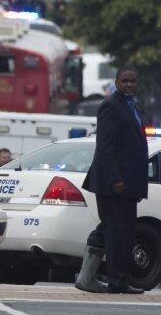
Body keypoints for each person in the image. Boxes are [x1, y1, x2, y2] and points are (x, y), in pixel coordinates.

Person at [77, 68, 149, 294]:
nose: (129, 84)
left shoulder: (131, 105)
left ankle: (88, 278)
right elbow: (106, 148)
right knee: (117, 234)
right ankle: (117, 281)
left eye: (133, 80)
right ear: (116, 82)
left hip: (129, 185)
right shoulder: (111, 105)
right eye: (125, 80)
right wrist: (116, 180)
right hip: (114, 185)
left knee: (116, 231)